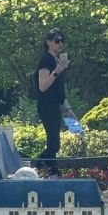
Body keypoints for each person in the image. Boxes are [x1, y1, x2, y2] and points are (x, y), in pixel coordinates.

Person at [36, 28, 78, 178]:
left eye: (62, 41)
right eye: (57, 40)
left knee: (54, 143)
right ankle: (42, 166)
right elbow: (42, 86)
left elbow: (59, 92)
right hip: (46, 107)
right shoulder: (46, 60)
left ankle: (50, 169)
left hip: (55, 106)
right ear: (48, 42)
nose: (61, 44)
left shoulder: (56, 62)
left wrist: (69, 109)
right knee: (53, 142)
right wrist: (56, 71)